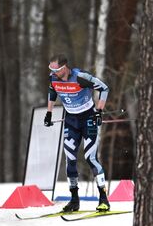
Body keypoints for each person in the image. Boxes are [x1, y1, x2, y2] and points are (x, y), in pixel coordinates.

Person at [43, 54, 111, 212]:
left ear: (65, 67)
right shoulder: (53, 79)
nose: (53, 73)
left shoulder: (80, 77)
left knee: (90, 157)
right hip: (71, 121)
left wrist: (99, 111)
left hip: (88, 119)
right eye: (51, 70)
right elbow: (52, 93)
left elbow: (104, 88)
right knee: (70, 158)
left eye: (57, 70)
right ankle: (74, 200)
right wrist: (49, 113)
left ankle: (103, 199)